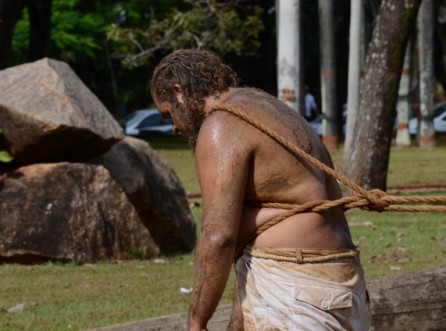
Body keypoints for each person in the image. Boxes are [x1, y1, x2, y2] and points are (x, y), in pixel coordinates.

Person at [151, 49, 371, 331]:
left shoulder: (221, 125)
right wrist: (237, 322)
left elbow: (219, 237)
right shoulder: (268, 107)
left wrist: (197, 321)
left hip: (294, 291)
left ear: (178, 92)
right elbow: (252, 244)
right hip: (343, 285)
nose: (173, 127)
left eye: (168, 113)